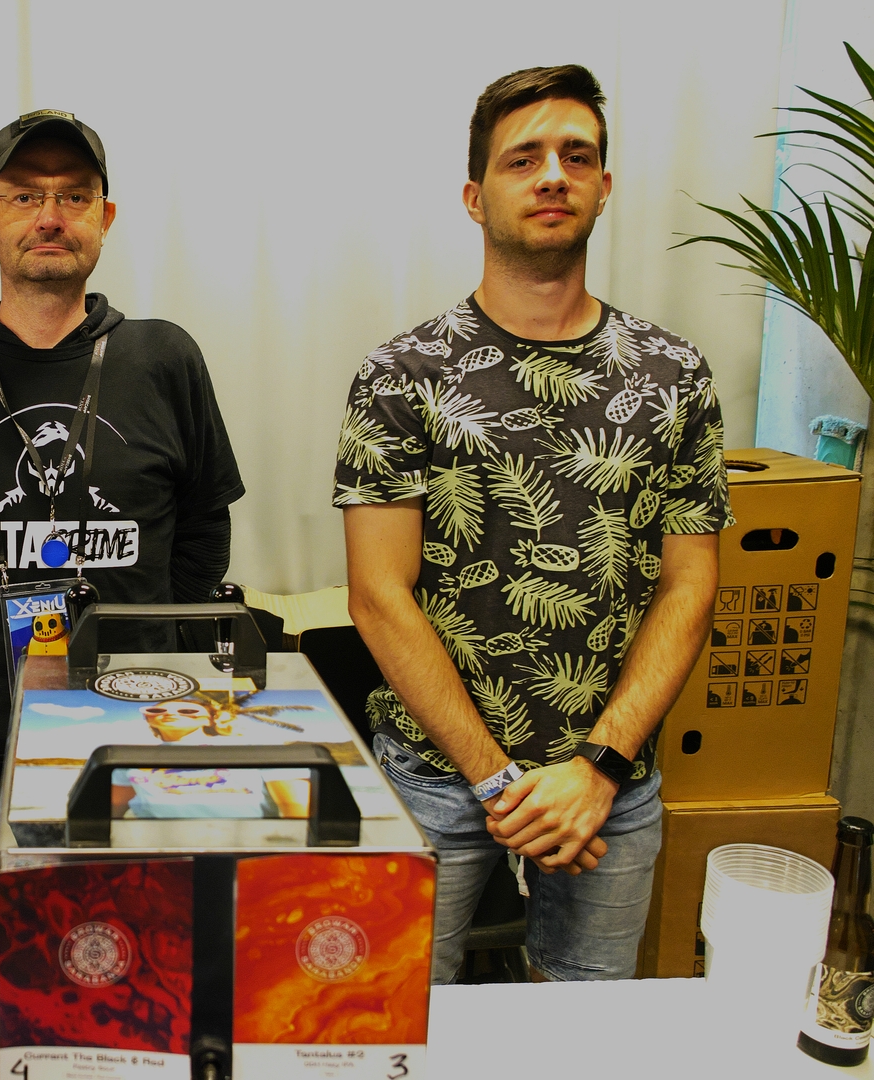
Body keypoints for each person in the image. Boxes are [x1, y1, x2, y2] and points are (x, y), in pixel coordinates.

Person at [338, 66, 730, 984]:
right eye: (523, 159)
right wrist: (499, 783)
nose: (553, 174)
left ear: (604, 186)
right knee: (391, 1022)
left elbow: (690, 586)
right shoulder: (404, 375)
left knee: (586, 1029)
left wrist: (596, 769)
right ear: (476, 198)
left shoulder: (673, 374)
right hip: (435, 780)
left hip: (612, 788)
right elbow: (378, 596)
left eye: (576, 156)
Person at [0, 110, 244, 992]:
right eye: (25, 196)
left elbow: (203, 529)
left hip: (123, 737)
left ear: (105, 219)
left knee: (119, 988)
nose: (49, 215)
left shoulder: (163, 357)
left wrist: (149, 651)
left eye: (74, 196)